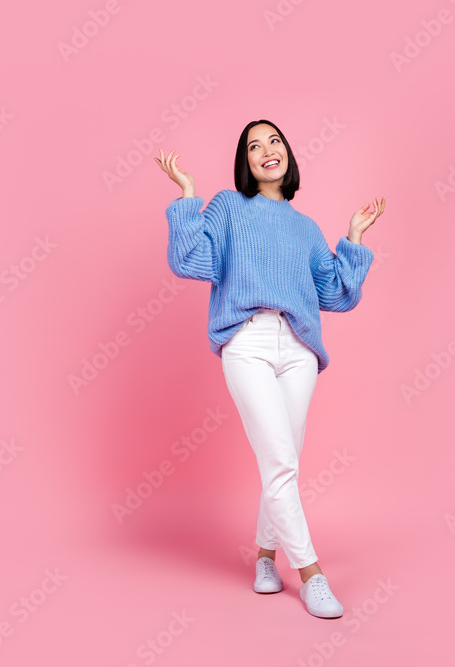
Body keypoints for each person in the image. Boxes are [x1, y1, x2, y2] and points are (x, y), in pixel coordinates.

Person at [153, 119, 384, 618]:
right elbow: (188, 258)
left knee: (284, 462)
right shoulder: (228, 207)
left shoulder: (305, 228)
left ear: (287, 154)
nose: (266, 151)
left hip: (298, 348)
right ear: (246, 162)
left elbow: (334, 294)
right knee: (280, 460)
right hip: (248, 342)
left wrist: (353, 239)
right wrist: (188, 195)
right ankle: (312, 574)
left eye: (273, 141)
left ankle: (264, 557)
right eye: (254, 146)